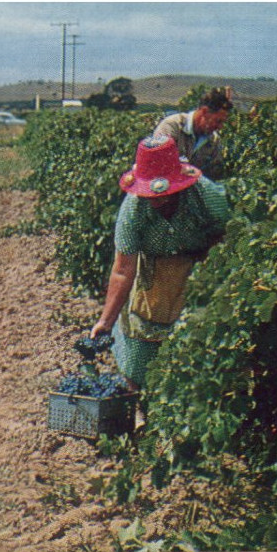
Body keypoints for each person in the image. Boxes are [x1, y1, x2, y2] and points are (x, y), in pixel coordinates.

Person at [90, 134, 230, 390]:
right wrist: (106, 321)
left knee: (194, 347)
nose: (156, 200)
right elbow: (123, 270)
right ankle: (139, 407)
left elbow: (230, 233)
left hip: (199, 274)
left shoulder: (207, 196)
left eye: (165, 193)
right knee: (139, 352)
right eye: (151, 194)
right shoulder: (132, 211)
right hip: (153, 275)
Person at [153, 87, 233, 181]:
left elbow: (214, 174)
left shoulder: (213, 141)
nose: (220, 127)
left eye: (223, 122)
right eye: (218, 121)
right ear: (204, 111)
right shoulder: (172, 126)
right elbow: (160, 164)